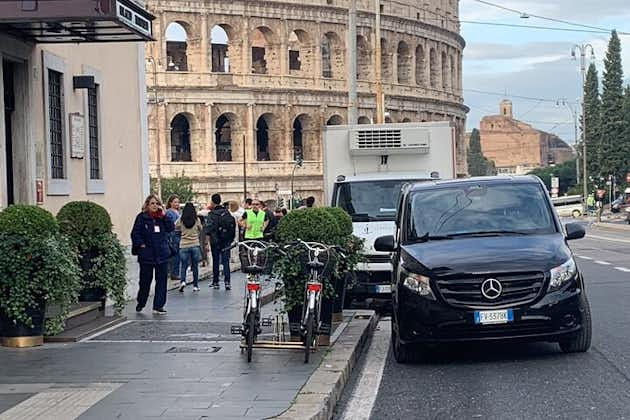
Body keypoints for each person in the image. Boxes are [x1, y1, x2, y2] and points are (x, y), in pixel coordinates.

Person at [131, 195, 175, 315]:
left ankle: (158, 306)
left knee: (161, 281)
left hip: (161, 254)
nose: (155, 206)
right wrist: (141, 245)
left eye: (157, 203)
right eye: (152, 203)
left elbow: (171, 227)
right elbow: (135, 233)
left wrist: (164, 215)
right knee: (145, 281)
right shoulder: (141, 218)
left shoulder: (162, 218)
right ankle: (141, 302)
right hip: (147, 255)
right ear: (147, 205)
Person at [205, 194, 236, 290]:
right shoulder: (227, 212)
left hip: (215, 241)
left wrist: (207, 242)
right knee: (226, 261)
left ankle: (216, 281)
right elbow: (233, 226)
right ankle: (227, 282)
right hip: (226, 240)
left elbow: (208, 229)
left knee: (216, 261)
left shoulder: (212, 214)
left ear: (213, 202)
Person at [176, 203, 203, 293]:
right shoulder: (196, 220)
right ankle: (195, 285)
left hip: (183, 245)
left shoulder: (181, 220)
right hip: (195, 244)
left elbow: (175, 226)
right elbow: (201, 229)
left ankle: (183, 281)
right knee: (195, 266)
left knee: (183, 265)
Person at [165, 195, 181, 280]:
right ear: (170, 203)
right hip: (173, 235)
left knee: (178, 254)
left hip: (179, 234)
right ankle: (174, 273)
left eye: (178, 202)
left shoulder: (179, 212)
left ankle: (176, 272)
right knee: (175, 254)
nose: (177, 204)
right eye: (175, 202)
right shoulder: (169, 212)